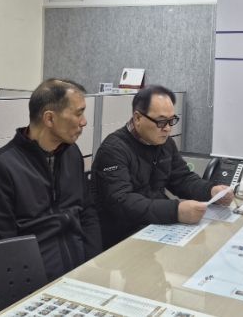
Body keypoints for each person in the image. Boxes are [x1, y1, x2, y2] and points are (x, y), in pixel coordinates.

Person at [0, 79, 102, 281]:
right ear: (49, 119)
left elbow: (87, 212)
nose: (84, 121)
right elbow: (0, 250)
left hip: (79, 274)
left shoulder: (72, 154)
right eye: (78, 113)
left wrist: (93, 264)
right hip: (34, 283)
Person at [92, 85, 233, 249]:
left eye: (171, 120)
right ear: (137, 118)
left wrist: (211, 191)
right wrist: (176, 211)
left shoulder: (165, 143)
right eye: (161, 121)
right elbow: (122, 202)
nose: (167, 128)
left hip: (154, 229)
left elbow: (182, 178)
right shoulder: (113, 150)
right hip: (121, 238)